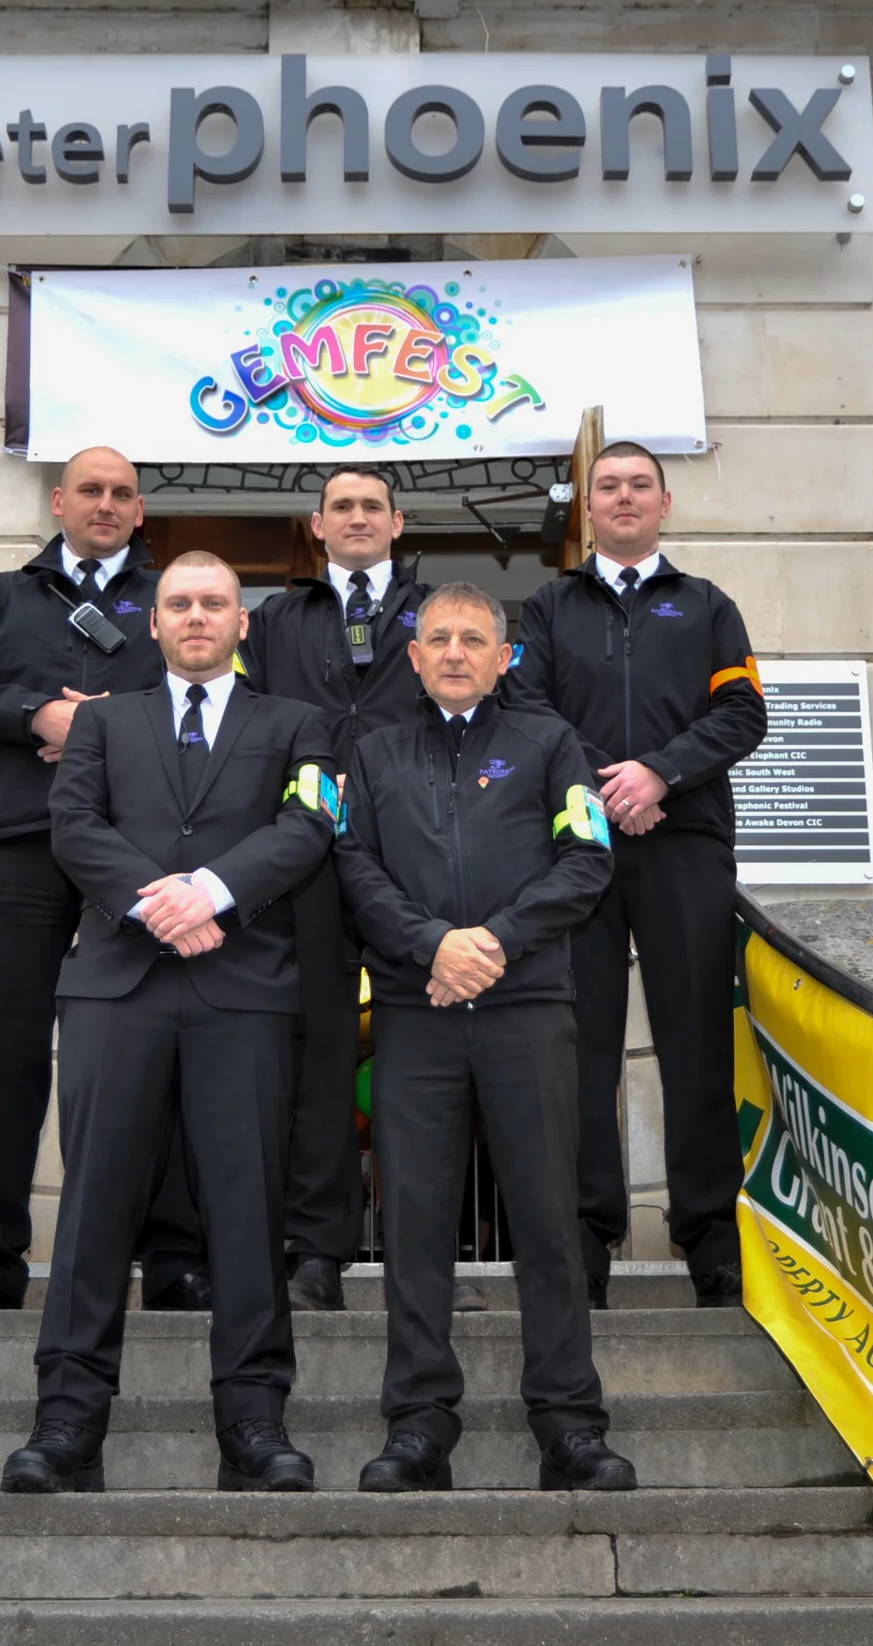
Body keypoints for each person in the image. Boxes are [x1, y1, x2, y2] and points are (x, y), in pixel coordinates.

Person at [5, 552, 342, 1494]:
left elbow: (308, 827)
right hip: (118, 990)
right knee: (93, 1207)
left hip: (243, 992)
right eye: (180, 603)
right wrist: (159, 905)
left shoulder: (299, 725)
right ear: (152, 623)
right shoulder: (102, 722)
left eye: (215, 603)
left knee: (247, 1208)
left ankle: (254, 1422)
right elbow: (74, 826)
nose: (197, 616)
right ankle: (67, 1422)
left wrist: (213, 890)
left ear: (243, 621)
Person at [336, 581, 635, 1492]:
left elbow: (587, 859)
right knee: (413, 1221)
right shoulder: (373, 753)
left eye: (474, 638)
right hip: (415, 1011)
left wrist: (493, 943)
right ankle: (419, 1425)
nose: (455, 652)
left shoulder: (552, 745)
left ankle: (569, 1424)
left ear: (505, 658)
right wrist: (433, 944)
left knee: (547, 1218)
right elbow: (353, 866)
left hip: (526, 1008)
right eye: (438, 638)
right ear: (413, 656)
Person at [0, 447, 207, 1314]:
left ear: (140, 510)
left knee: (155, 1045)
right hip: (23, 841)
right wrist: (38, 714)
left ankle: (173, 1256)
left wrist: (107, 734)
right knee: (3, 1049)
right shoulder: (0, 598)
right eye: (90, 490)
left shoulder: (172, 600)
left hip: (136, 852)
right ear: (59, 502)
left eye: (122, 493)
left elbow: (212, 696)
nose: (105, 504)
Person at [504, 442, 769, 1310]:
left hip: (684, 842)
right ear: (587, 507)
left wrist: (660, 773)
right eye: (608, 486)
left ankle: (712, 1241)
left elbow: (743, 712)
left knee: (697, 1042)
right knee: (578, 1048)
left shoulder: (708, 606)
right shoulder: (548, 607)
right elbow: (525, 709)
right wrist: (613, 787)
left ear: (664, 503)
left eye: (639, 485)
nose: (624, 497)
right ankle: (583, 1243)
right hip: (577, 848)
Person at [239, 466, 433, 1314]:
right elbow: (242, 725)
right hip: (307, 867)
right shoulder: (276, 621)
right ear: (316, 525)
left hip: (418, 861)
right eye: (341, 506)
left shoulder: (440, 614)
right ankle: (315, 1251)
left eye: (372, 506)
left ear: (399, 521)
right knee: (319, 1057)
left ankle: (426, 1257)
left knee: (425, 1062)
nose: (358, 517)